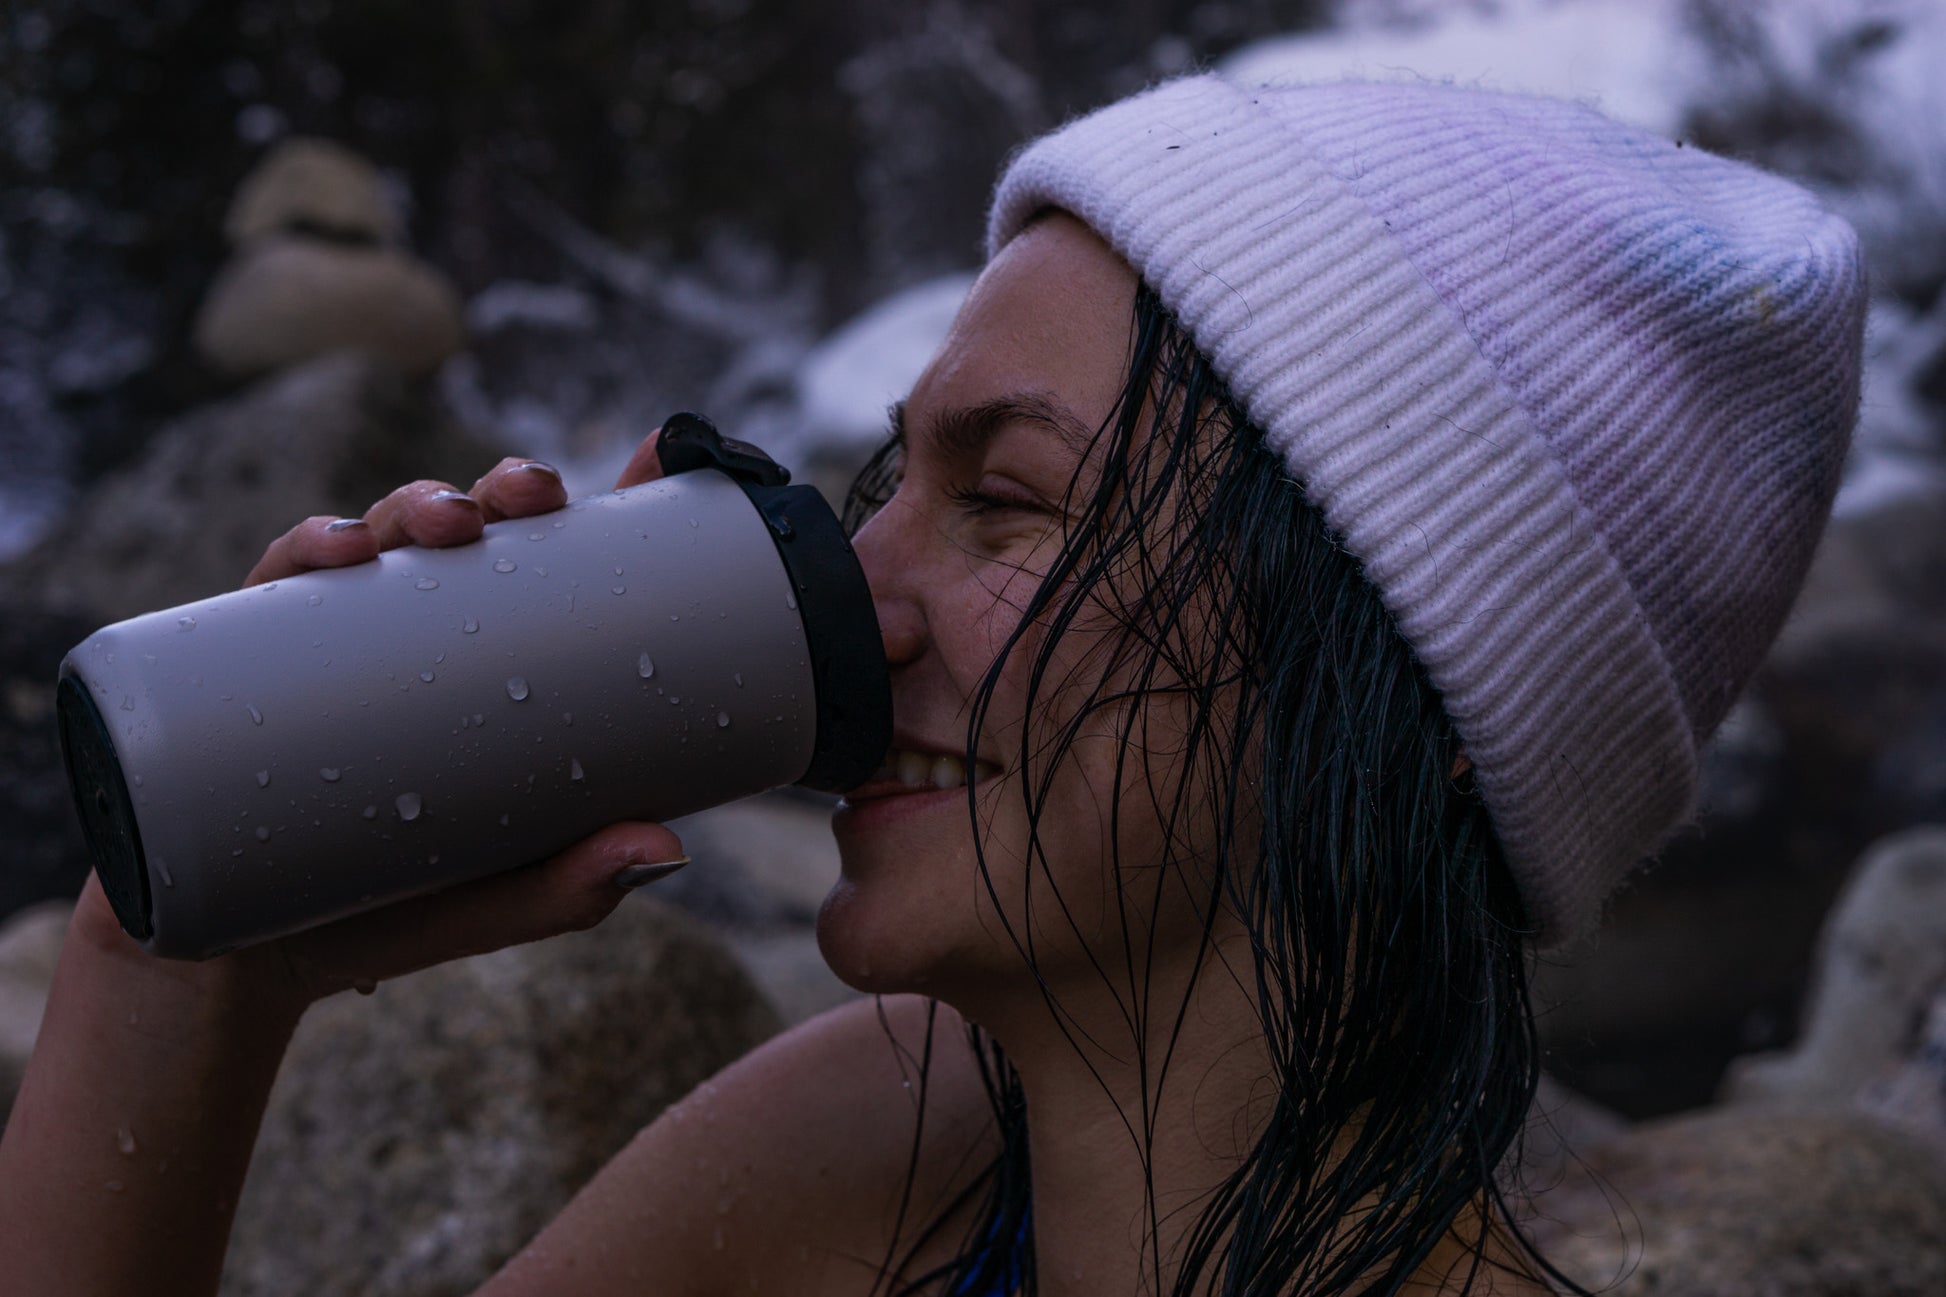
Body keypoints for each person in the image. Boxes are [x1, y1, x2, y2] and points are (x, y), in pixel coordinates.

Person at [1, 74, 1863, 1296]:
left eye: (1009, 501)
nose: (862, 599)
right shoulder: (882, 1150)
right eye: (886, 481)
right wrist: (186, 971)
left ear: (1430, 695)